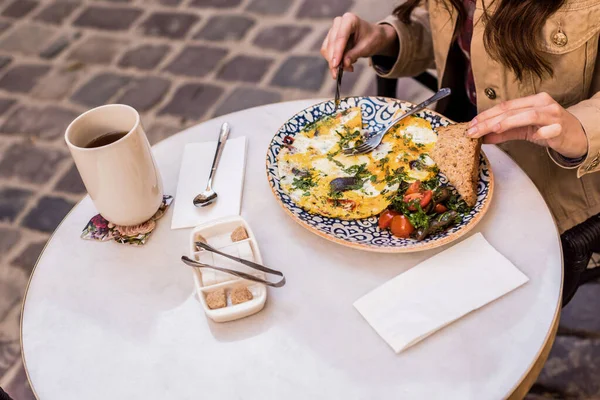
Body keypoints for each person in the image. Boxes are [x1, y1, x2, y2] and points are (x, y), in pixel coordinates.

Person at [320, 0, 600, 305]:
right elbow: (456, 24)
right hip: (451, 155)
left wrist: (581, 130)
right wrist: (388, 37)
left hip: (553, 187)